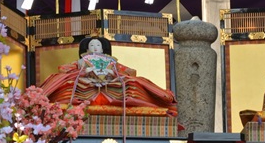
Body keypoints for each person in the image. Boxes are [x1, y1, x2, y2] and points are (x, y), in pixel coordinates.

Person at [39, 36, 178, 114]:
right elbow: (64, 70)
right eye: (92, 46)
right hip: (84, 84)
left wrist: (112, 73)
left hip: (112, 85)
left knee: (132, 83)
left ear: (103, 48)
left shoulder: (112, 62)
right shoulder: (81, 61)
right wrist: (84, 71)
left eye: (97, 46)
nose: (94, 48)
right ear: (86, 49)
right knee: (68, 83)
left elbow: (129, 72)